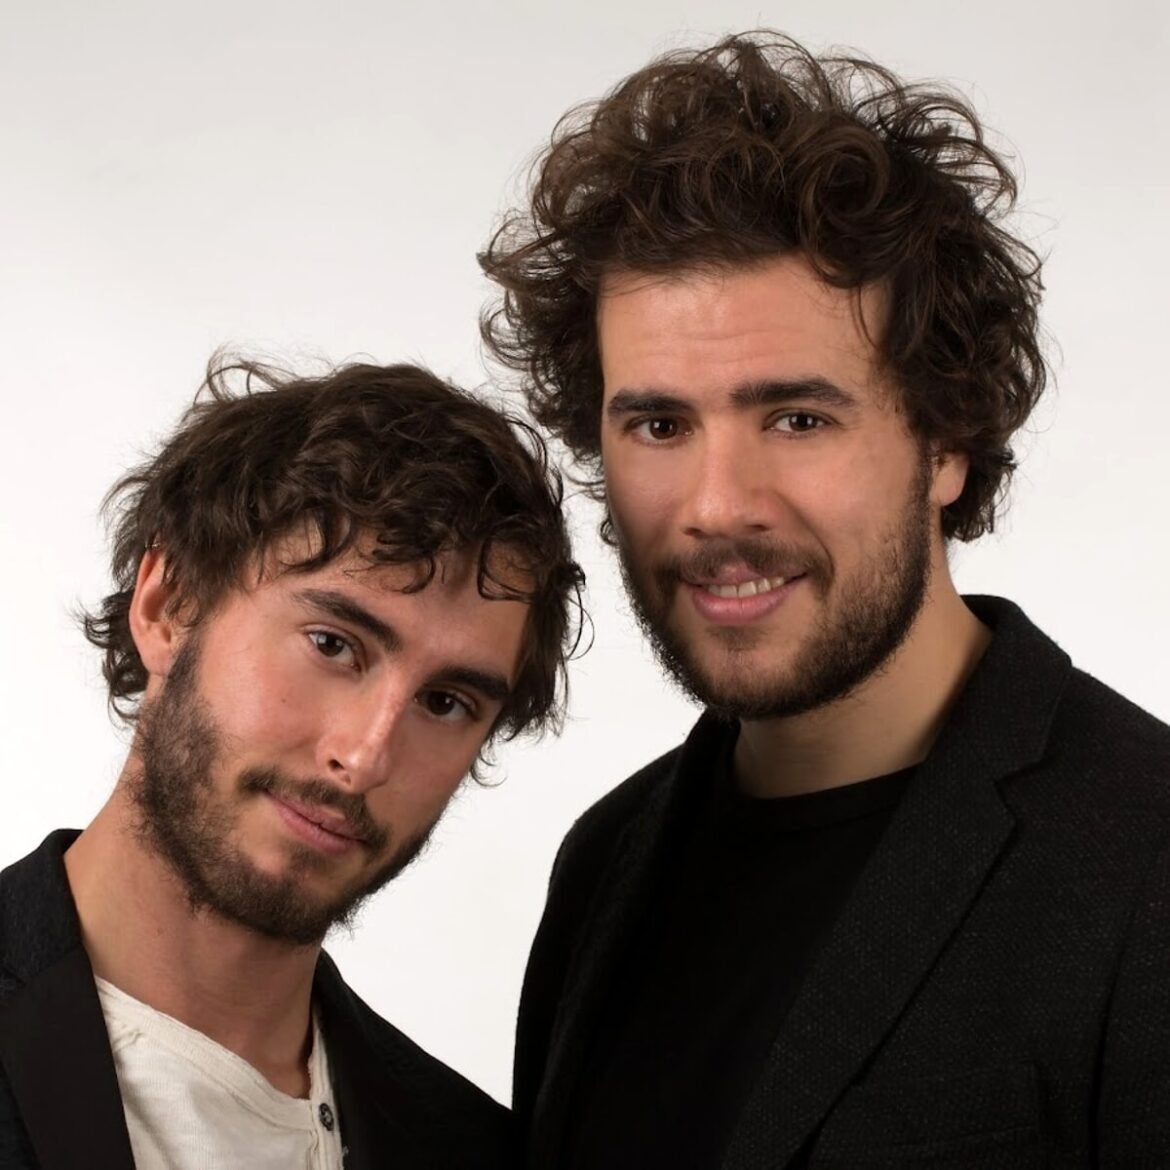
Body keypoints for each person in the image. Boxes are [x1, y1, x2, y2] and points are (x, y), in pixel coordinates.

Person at [480, 31, 1170, 1168]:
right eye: (660, 424)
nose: (716, 505)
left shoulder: (1145, 862)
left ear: (947, 440)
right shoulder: (604, 866)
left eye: (797, 419)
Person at [0, 356, 581, 1169]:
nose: (365, 756)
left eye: (446, 702)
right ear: (167, 606)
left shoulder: (475, 1150)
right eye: (333, 645)